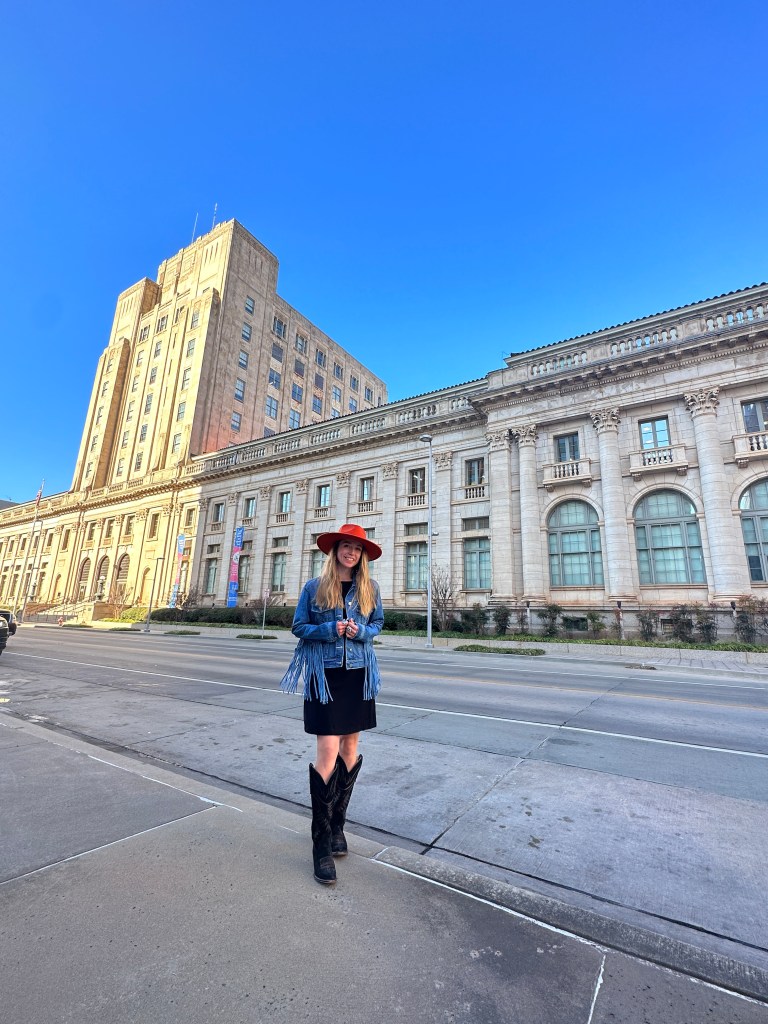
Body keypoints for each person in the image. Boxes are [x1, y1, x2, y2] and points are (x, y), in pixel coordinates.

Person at [280, 523, 384, 885]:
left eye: (357, 548)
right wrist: (328, 630)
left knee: (351, 748)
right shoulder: (314, 587)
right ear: (335, 550)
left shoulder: (369, 589)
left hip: (357, 674)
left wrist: (362, 631)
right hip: (323, 675)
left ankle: (338, 825)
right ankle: (321, 843)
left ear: (362, 555)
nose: (351, 553)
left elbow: (379, 623)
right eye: (346, 546)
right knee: (327, 750)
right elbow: (299, 628)